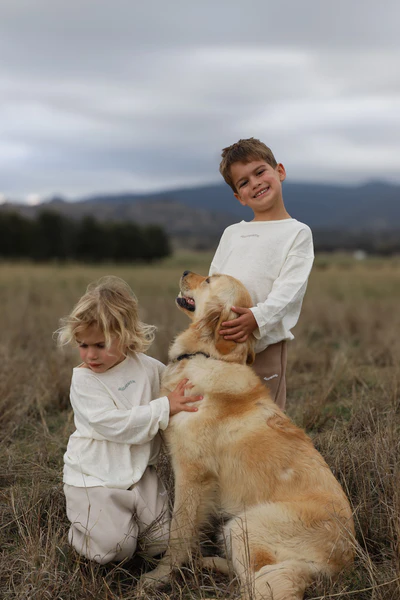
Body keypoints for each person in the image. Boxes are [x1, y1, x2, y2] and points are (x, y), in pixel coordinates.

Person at [56, 276, 202, 564]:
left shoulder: (148, 368)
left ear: (125, 335)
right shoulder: (84, 381)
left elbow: (176, 391)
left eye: (100, 345)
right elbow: (116, 425)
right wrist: (164, 408)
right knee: (114, 548)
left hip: (139, 474)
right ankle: (83, 531)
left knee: (160, 543)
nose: (90, 355)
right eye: (83, 345)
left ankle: (128, 524)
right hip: (95, 478)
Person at [209, 138, 314, 410]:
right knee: (222, 410)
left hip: (264, 344)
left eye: (259, 172)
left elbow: (289, 290)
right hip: (223, 341)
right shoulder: (232, 233)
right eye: (243, 182)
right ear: (238, 197)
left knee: (263, 416)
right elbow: (214, 280)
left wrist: (256, 318)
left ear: (279, 171)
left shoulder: (297, 232)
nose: (254, 183)